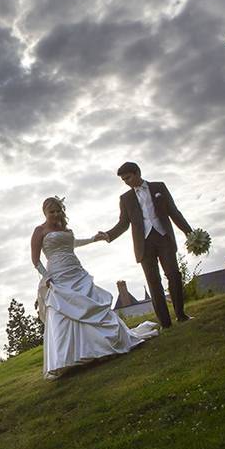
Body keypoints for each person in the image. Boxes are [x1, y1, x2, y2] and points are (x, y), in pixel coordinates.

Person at [31, 197, 158, 380]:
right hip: (57, 276)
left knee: (90, 303)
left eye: (58, 211)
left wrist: (93, 239)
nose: (56, 214)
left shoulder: (64, 228)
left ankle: (100, 347)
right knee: (64, 311)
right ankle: (69, 358)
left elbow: (72, 243)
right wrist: (47, 277)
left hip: (76, 270)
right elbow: (36, 260)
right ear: (45, 213)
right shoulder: (40, 231)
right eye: (52, 212)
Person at [98, 162, 193, 328]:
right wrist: (108, 235)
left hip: (164, 237)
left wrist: (188, 232)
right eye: (123, 180)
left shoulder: (159, 187)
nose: (126, 182)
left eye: (128, 177)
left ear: (137, 173)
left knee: (174, 275)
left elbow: (173, 211)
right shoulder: (125, 198)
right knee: (153, 282)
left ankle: (181, 314)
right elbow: (123, 223)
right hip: (143, 244)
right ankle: (165, 323)